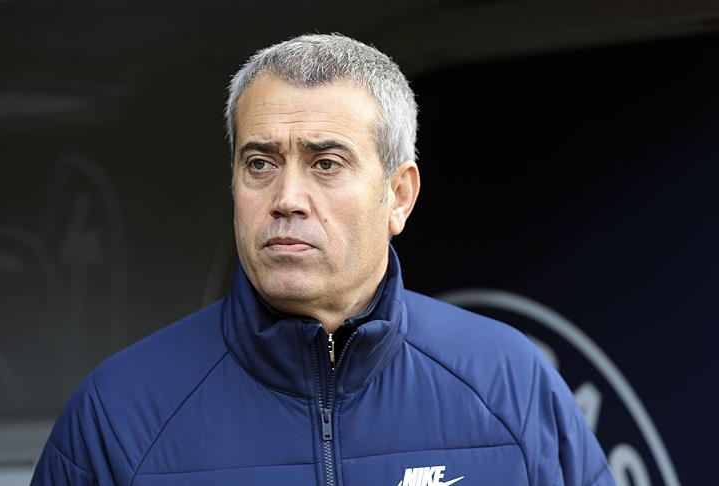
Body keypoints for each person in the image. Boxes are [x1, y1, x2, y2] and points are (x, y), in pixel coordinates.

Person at [31, 33, 614, 486]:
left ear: (399, 195)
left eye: (326, 164)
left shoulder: (508, 381)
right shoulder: (119, 411)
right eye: (260, 163)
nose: (286, 198)